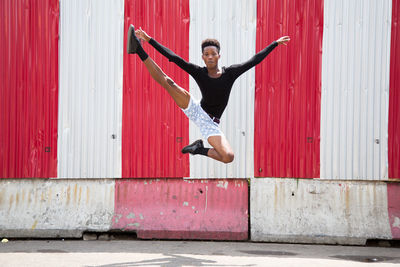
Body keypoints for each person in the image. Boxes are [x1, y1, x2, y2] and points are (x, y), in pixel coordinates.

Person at [127, 25, 290, 164]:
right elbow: (173, 57)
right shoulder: (199, 72)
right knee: (168, 82)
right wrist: (149, 40)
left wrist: (275, 43)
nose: (210, 57)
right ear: (203, 58)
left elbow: (254, 60)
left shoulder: (231, 73)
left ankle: (197, 149)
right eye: (207, 55)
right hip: (197, 110)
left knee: (228, 157)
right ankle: (138, 49)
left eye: (213, 54)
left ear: (219, 56)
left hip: (211, 123)